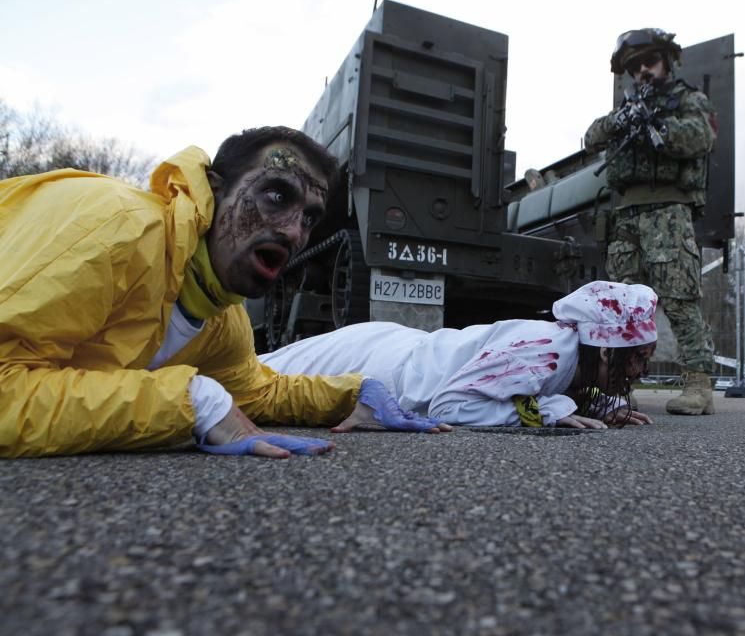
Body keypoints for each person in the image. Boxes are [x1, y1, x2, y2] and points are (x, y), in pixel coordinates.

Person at [0, 126, 448, 459]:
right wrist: (189, 401)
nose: (294, 232)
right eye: (275, 196)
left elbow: (254, 394)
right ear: (214, 194)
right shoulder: (115, 232)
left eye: (310, 218)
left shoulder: (220, 315)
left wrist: (353, 393)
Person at [261, 281, 659, 428]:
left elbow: (535, 387)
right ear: (605, 352)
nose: (641, 370)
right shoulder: (548, 351)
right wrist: (548, 413)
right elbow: (449, 405)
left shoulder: (571, 351)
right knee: (247, 380)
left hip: (400, 350)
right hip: (379, 363)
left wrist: (597, 404)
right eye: (638, 357)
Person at [584, 28, 718, 416]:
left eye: (649, 62)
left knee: (679, 299)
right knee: (621, 303)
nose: (643, 70)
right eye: (635, 66)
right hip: (626, 214)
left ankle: (698, 385)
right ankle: (617, 385)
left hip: (669, 212)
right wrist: (621, 122)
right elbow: (592, 136)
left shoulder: (687, 100)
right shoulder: (626, 109)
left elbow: (701, 136)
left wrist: (658, 127)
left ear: (666, 61)